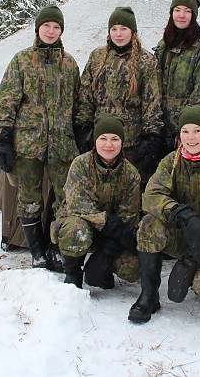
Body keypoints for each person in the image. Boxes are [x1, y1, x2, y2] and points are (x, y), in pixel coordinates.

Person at [128, 106, 200, 324]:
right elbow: (151, 196)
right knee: (150, 224)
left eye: (198, 131)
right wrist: (178, 213)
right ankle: (149, 295)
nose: (191, 138)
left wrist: (190, 261)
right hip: (182, 234)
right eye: (185, 131)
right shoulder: (171, 162)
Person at [0, 5, 79, 271]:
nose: (51, 31)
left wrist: (83, 134)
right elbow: (6, 102)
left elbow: (78, 104)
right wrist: (2, 139)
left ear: (61, 30)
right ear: (38, 28)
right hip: (28, 144)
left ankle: (56, 247)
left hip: (62, 144)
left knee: (66, 198)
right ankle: (38, 252)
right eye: (46, 26)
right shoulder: (21, 61)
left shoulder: (69, 64)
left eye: (56, 27)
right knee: (29, 198)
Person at [76, 6, 164, 185]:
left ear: (133, 32)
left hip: (132, 142)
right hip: (101, 140)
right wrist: (83, 129)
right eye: (114, 29)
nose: (118, 34)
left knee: (131, 188)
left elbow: (152, 103)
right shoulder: (97, 57)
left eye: (124, 29)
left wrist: (151, 137)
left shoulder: (146, 61)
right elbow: (85, 96)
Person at [53, 114, 141, 289]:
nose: (109, 145)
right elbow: (79, 206)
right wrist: (108, 221)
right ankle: (72, 273)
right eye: (103, 138)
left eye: (115, 139)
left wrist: (107, 251)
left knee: (133, 268)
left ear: (122, 142)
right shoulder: (80, 165)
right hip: (81, 223)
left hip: (110, 235)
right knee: (76, 230)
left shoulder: (131, 174)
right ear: (95, 141)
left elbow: (128, 217)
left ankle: (105, 270)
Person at [154, 0, 200, 150]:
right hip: (160, 130)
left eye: (187, 11)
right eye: (177, 10)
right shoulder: (163, 45)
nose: (181, 15)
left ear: (193, 16)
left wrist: (186, 129)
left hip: (186, 135)